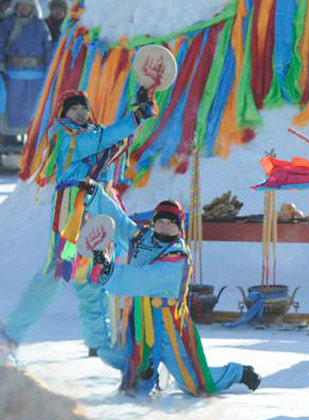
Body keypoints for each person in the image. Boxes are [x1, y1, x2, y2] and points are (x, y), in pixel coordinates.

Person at [2, 89, 154, 356]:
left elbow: (116, 140)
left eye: (84, 108)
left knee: (91, 274)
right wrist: (133, 118)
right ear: (64, 113)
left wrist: (140, 112)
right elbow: (103, 139)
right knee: (59, 268)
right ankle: (10, 336)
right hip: (72, 211)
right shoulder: (63, 134)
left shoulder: (93, 134)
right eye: (74, 109)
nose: (81, 113)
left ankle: (98, 343)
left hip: (94, 209)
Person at [86, 198, 261, 396]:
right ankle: (144, 372)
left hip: (170, 325)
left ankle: (238, 373)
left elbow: (146, 279)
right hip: (140, 321)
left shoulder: (178, 255)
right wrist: (95, 195)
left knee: (193, 383)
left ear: (179, 227)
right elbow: (118, 221)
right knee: (132, 382)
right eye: (160, 221)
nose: (164, 226)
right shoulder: (143, 238)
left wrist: (110, 271)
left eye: (170, 223)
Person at [0, 0, 52, 134]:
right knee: (14, 105)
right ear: (16, 6)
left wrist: (49, 66)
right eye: (21, 4)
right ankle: (12, 134)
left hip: (37, 72)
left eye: (27, 5)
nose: (24, 8)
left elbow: (47, 46)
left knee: (33, 105)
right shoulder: (7, 23)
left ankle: (31, 133)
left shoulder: (40, 25)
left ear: (33, 7)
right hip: (14, 72)